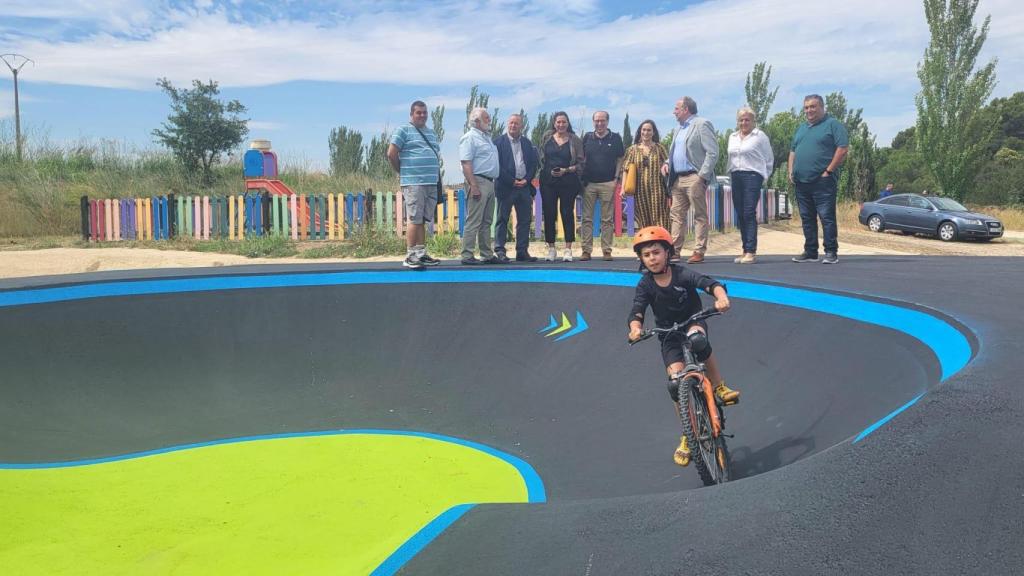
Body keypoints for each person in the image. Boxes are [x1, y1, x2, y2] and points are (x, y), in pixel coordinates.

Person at [626, 226, 736, 467]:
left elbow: (708, 283)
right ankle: (689, 432)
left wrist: (721, 297)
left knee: (698, 340)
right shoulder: (645, 284)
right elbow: (637, 310)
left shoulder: (681, 274)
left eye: (656, 252)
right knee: (675, 384)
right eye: (646, 255)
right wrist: (635, 329)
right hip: (668, 335)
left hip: (692, 323)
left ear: (667, 252)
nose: (652, 258)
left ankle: (719, 387)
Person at [788, 94, 849, 265]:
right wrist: (790, 170)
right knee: (807, 218)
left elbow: (843, 148)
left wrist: (828, 171)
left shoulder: (832, 125)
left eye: (813, 106)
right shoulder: (801, 128)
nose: (809, 110)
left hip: (822, 181)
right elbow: (793, 150)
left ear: (822, 107)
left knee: (826, 217)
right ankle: (811, 251)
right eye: (806, 107)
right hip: (801, 182)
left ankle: (831, 252)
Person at [661, 96, 719, 264]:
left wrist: (702, 176)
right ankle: (675, 251)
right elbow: (676, 152)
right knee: (676, 215)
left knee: (699, 215)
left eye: (676, 108)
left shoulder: (702, 124)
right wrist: (666, 163)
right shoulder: (678, 129)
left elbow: (713, 152)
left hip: (695, 176)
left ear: (686, 109)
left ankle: (699, 251)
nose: (674, 112)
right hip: (677, 178)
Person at [387, 100, 443, 270]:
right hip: (414, 182)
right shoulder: (403, 130)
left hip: (430, 182)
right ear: (411, 114)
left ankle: (420, 253)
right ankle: (410, 255)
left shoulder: (431, 133)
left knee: (423, 220)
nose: (422, 115)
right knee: (414, 218)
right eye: (418, 112)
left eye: (425, 112)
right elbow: (391, 154)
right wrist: (403, 171)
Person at [727, 106, 774, 265]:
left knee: (748, 212)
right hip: (736, 175)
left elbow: (769, 158)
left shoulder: (760, 136)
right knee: (740, 213)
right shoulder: (732, 136)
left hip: (752, 175)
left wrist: (764, 175)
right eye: (741, 120)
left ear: (753, 121)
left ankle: (751, 251)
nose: (744, 122)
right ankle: (744, 249)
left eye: (747, 119)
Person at [538, 111, 585, 262]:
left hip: (568, 182)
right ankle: (551, 249)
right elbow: (540, 158)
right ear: (554, 123)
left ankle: (568, 249)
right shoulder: (546, 138)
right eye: (558, 122)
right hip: (548, 182)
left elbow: (581, 163)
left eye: (564, 122)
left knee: (567, 213)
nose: (561, 125)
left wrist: (567, 170)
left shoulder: (575, 140)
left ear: (568, 123)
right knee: (549, 213)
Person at [493, 114, 539, 263]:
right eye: (511, 123)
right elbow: (497, 166)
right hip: (506, 187)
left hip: (524, 187)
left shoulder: (527, 143)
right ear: (508, 124)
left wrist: (526, 179)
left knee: (525, 220)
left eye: (516, 124)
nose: (513, 126)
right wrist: (512, 181)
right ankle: (500, 251)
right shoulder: (498, 143)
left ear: (522, 126)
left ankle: (522, 251)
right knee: (502, 220)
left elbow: (533, 164)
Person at [458, 107, 501, 265]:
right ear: (476, 121)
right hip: (478, 181)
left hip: (490, 182)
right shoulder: (470, 138)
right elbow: (466, 163)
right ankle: (467, 255)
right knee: (474, 220)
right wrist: (473, 185)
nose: (489, 120)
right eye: (486, 118)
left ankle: (486, 254)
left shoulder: (486, 138)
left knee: (486, 221)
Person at [580, 111, 625, 261]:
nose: (600, 124)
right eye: (597, 121)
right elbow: (581, 159)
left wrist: (616, 179)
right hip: (589, 184)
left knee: (607, 219)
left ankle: (606, 250)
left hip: (608, 183)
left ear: (608, 121)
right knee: (587, 218)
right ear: (593, 122)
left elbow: (620, 159)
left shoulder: (616, 138)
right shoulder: (587, 138)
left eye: (603, 120)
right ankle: (586, 250)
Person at [622, 119, 670, 230]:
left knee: (660, 219)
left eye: (649, 130)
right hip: (640, 192)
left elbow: (668, 164)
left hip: (658, 191)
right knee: (643, 220)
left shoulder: (660, 148)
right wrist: (623, 188)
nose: (646, 132)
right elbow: (625, 169)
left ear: (653, 132)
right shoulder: (632, 150)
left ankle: (663, 244)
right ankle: (647, 245)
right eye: (644, 130)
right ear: (640, 131)